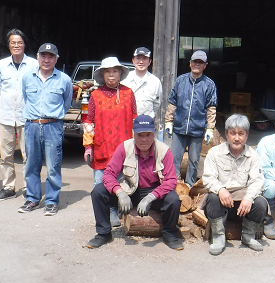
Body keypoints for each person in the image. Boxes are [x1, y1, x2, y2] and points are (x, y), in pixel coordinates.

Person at [86, 115, 183, 250]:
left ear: (154, 133)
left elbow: (171, 180)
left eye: (148, 135)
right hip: (130, 190)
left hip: (154, 193)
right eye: (140, 135)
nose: (144, 139)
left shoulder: (163, 150)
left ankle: (169, 234)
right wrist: (119, 193)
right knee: (98, 191)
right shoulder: (125, 147)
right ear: (133, 134)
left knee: (173, 199)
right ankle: (103, 233)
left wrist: (151, 197)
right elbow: (108, 174)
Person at [18, 43, 73, 216]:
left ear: (56, 59)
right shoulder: (27, 77)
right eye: (43, 56)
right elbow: (26, 98)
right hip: (32, 125)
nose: (47, 60)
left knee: (52, 166)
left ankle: (51, 201)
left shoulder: (64, 79)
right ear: (37, 57)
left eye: (51, 56)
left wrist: (52, 117)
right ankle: (33, 198)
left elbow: (67, 103)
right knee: (31, 165)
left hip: (53, 126)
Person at [82, 57, 137, 227]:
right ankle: (105, 215)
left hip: (124, 147)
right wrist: (88, 147)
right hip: (102, 147)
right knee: (100, 184)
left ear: (120, 73)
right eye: (108, 71)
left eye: (115, 71)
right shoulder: (95, 95)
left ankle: (117, 209)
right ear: (102, 74)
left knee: (122, 182)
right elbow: (88, 122)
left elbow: (135, 119)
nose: (111, 75)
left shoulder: (128, 93)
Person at [202, 114, 267, 255]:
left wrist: (249, 198)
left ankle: (248, 236)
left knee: (261, 203)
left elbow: (257, 181)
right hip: (221, 204)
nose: (236, 138)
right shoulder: (214, 153)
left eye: (241, 134)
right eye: (232, 133)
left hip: (243, 207)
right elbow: (208, 178)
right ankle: (218, 237)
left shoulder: (253, 155)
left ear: (247, 135)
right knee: (212, 198)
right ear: (226, 134)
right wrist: (220, 189)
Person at [0, 29, 39, 202]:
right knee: (6, 154)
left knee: (29, 154)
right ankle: (8, 187)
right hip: (5, 115)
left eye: (19, 42)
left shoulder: (34, 64)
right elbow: (0, 89)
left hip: (27, 116)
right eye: (13, 42)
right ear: (8, 45)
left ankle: (29, 187)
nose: (16, 45)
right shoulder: (1, 65)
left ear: (24, 44)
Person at [164, 50, 217, 187]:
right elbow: (172, 102)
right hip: (179, 128)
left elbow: (211, 109)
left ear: (205, 65)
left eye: (200, 62)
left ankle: (189, 185)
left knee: (194, 161)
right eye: (195, 62)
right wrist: (169, 121)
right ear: (190, 63)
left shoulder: (209, 85)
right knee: (175, 158)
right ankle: (173, 184)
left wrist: (210, 129)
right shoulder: (180, 81)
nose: (197, 65)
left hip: (197, 130)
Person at [121, 47, 162, 119]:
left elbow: (157, 104)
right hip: (126, 121)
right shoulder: (124, 79)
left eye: (144, 58)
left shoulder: (155, 81)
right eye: (138, 58)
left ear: (149, 62)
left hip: (146, 124)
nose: (141, 62)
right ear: (133, 60)